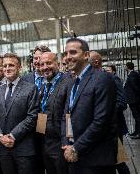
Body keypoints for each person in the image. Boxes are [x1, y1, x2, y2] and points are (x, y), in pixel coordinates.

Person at [62, 38, 117, 174]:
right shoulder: (74, 82)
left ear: (86, 55)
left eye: (73, 52)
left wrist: (76, 147)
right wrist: (67, 144)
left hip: (95, 158)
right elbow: (67, 115)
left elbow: (101, 121)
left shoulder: (102, 79)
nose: (68, 57)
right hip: (74, 156)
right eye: (66, 53)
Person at [0, 53, 39, 174]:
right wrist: (0, 137)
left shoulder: (31, 88)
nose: (7, 68)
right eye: (4, 65)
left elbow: (32, 117)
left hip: (23, 149)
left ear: (19, 67)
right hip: (4, 149)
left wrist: (12, 136)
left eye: (11, 65)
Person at [39, 52, 70, 174]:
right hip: (45, 142)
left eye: (49, 63)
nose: (45, 67)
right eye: (42, 64)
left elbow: (69, 115)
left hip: (60, 143)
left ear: (57, 64)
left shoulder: (67, 83)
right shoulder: (43, 85)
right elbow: (42, 111)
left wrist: (67, 144)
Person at [21, 45, 50, 174]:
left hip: (50, 132)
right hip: (30, 133)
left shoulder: (54, 77)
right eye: (35, 58)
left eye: (40, 58)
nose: (37, 61)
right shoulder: (25, 79)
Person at [105, 65, 130, 174]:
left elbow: (122, 103)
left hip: (115, 127)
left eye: (109, 70)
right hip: (103, 129)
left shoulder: (113, 79)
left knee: (119, 160)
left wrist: (103, 110)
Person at [124, 62, 140, 139]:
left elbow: (135, 88)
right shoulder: (132, 74)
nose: (125, 67)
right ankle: (136, 132)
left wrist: (139, 97)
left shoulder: (132, 75)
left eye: (125, 66)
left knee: (138, 117)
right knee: (136, 116)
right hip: (133, 99)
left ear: (127, 67)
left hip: (134, 100)